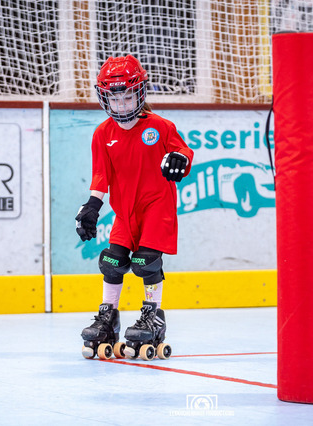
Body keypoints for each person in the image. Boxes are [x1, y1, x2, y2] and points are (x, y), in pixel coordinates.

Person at [76, 55, 193, 361]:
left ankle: (152, 316)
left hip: (156, 207)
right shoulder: (103, 134)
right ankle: (108, 317)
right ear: (105, 98)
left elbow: (183, 151)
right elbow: (101, 176)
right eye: (115, 99)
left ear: (140, 92)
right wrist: (92, 206)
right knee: (111, 262)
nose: (122, 105)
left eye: (128, 97)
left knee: (146, 263)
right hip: (124, 211)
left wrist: (180, 159)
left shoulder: (160, 127)